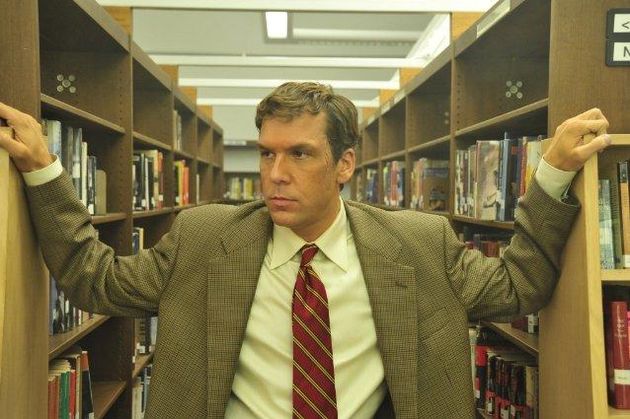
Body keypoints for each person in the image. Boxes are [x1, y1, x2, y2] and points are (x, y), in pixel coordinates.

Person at [0, 82, 610, 419]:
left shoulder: (418, 246)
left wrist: (553, 173)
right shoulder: (204, 239)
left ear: (345, 165)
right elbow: (95, 279)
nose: (275, 174)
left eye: (300, 154)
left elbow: (521, 286)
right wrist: (43, 170)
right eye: (267, 153)